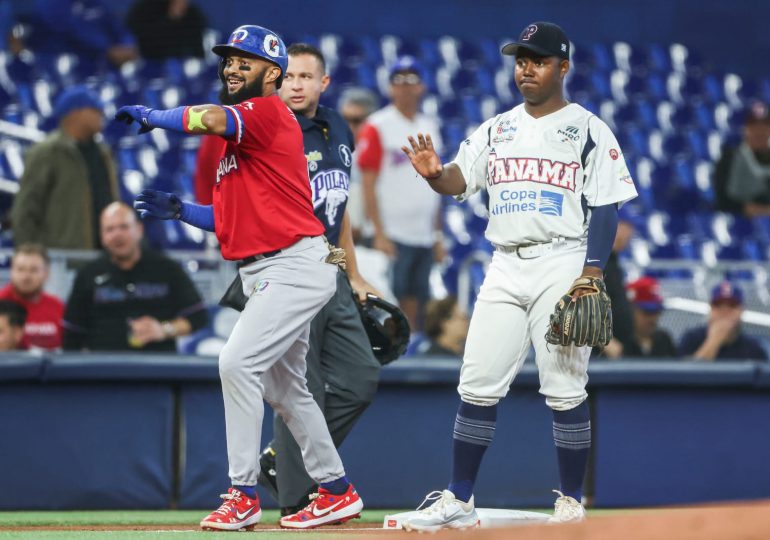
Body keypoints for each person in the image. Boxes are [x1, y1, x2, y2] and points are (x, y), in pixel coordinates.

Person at [116, 24, 364, 530]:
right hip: (272, 266)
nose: (232, 67)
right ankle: (337, 490)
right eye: (228, 60)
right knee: (289, 389)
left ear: (272, 73)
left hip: (293, 265)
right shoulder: (243, 141)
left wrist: (154, 117)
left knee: (235, 362)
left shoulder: (266, 112)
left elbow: (205, 117)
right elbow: (229, 218)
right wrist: (183, 209)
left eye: (244, 60)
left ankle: (242, 492)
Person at [399, 21, 638, 530]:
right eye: (520, 59)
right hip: (504, 262)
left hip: (562, 258)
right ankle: (459, 496)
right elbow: (460, 180)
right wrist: (435, 174)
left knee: (564, 387)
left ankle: (572, 502)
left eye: (539, 59)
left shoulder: (589, 128)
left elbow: (608, 205)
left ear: (563, 67)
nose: (526, 68)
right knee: (477, 382)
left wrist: (592, 271)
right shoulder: (497, 127)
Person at [357, 56, 444, 331]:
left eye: (412, 79)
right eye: (399, 80)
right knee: (387, 302)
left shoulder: (430, 125)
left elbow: (437, 183)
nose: (406, 86)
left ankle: (411, 355)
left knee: (417, 300)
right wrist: (379, 233)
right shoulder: (377, 125)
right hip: (391, 233)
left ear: (422, 86)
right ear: (390, 87)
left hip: (423, 233)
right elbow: (367, 184)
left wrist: (438, 235)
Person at [62, 202, 208, 352]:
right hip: (103, 369)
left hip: (159, 368)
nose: (117, 234)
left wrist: (163, 330)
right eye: (109, 229)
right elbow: (72, 334)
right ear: (102, 236)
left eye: (124, 227)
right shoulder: (87, 274)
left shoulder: (167, 268)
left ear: (139, 230)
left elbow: (198, 317)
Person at [11, 86, 119, 250]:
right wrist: (32, 255)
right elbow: (25, 210)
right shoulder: (48, 152)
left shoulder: (103, 153)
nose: (101, 115)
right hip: (60, 260)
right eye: (95, 110)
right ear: (75, 114)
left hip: (103, 257)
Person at [12, 0, 137, 66]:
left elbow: (118, 28)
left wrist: (128, 44)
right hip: (62, 65)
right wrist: (108, 50)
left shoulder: (96, 3)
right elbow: (73, 34)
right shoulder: (50, 3)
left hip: (104, 64)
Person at [679, 281, 767, 361]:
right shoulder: (691, 339)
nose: (725, 312)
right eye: (718, 306)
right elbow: (685, 375)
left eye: (732, 306)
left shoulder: (753, 348)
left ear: (741, 310)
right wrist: (714, 341)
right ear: (711, 309)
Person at [0, 243, 64, 350]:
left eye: (33, 270)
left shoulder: (58, 307)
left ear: (46, 273)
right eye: (20, 269)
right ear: (11, 271)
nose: (26, 276)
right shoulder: (1, 301)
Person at [714, 101, 770, 217]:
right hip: (739, 225)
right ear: (745, 129)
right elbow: (723, 201)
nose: (759, 131)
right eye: (754, 126)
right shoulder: (729, 158)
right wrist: (756, 210)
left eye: (764, 126)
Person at [618, 276, 677, 359]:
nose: (653, 318)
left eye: (656, 312)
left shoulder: (664, 340)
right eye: (647, 312)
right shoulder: (619, 341)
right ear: (630, 310)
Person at [126, 0, 206, 60]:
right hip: (147, 67)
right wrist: (171, 18)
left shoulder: (192, 14)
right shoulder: (142, 10)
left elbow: (198, 52)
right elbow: (147, 46)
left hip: (184, 68)